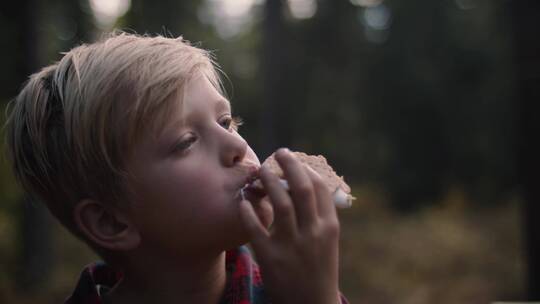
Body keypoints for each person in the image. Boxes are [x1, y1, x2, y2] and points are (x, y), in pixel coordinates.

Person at [5, 32, 348, 304]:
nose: (237, 146)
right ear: (110, 221)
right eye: (186, 142)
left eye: (226, 122)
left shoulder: (298, 295)